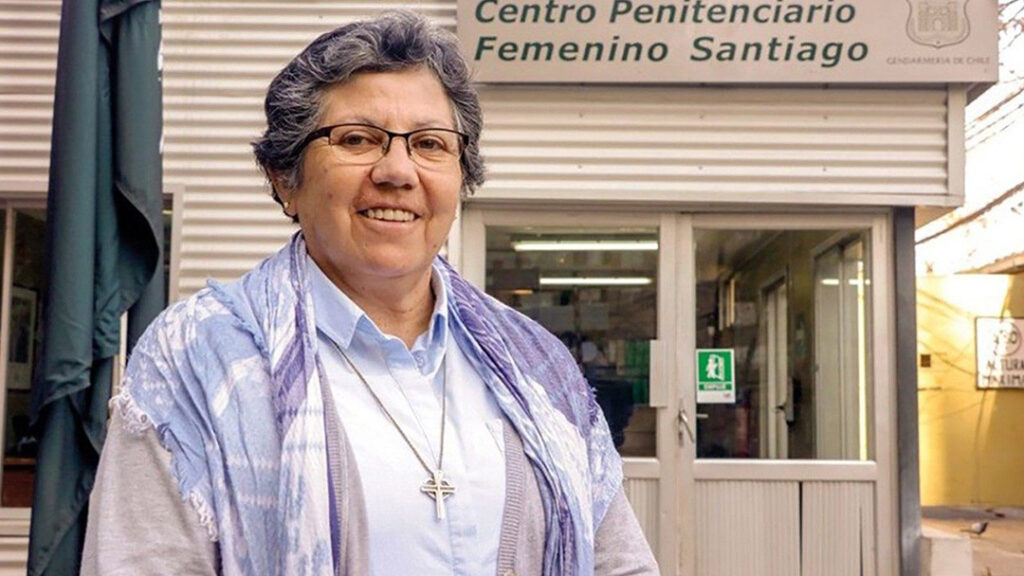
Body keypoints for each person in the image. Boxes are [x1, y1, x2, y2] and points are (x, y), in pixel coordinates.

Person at [81, 10, 659, 576]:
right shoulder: (196, 358)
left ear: (461, 177)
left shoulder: (536, 367)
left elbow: (620, 562)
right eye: (357, 138)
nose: (398, 171)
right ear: (286, 180)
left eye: (431, 144)